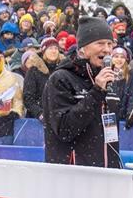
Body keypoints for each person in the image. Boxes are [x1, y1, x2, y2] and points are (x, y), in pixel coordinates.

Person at [42, 16, 122, 168]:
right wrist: (96, 91)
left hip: (107, 172)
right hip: (73, 173)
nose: (106, 49)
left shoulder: (110, 80)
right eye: (100, 43)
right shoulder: (61, 79)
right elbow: (64, 130)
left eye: (109, 44)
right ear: (83, 49)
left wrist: (114, 165)